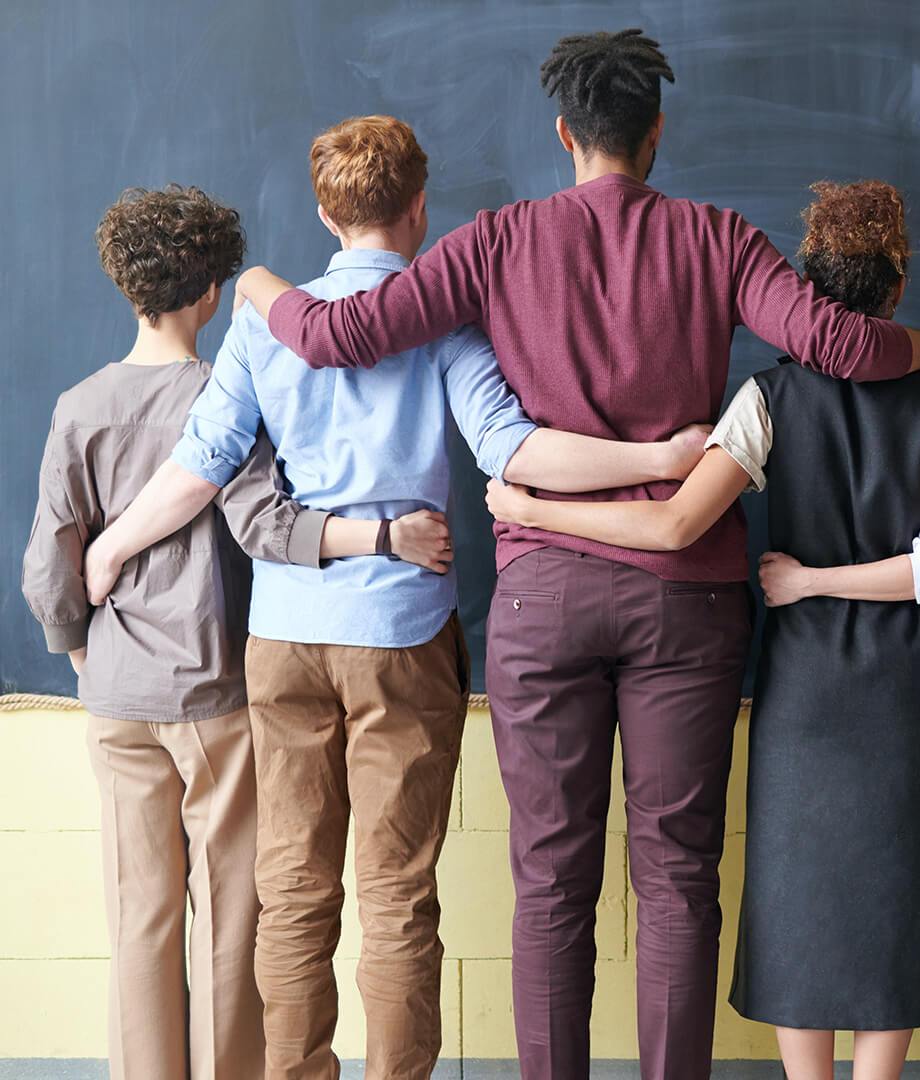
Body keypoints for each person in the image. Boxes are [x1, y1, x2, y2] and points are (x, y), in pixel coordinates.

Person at [231, 31, 920, 1080]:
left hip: (544, 598)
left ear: (566, 136)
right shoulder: (717, 239)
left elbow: (344, 336)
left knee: (550, 883)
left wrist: (261, 285)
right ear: (655, 134)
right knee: (677, 878)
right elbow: (840, 346)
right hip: (688, 604)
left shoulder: (497, 241)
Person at [81, 117, 706, 1080]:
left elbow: (199, 467)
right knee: (399, 893)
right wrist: (660, 460)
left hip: (283, 635)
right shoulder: (446, 322)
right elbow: (511, 448)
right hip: (401, 634)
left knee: (291, 892)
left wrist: (111, 547)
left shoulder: (260, 325)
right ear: (419, 209)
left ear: (327, 214)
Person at [486, 180, 920, 1080]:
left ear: (803, 286)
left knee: (795, 899)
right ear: (898, 287)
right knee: (896, 903)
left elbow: (676, 525)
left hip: (802, 688)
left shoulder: (765, 399)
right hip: (904, 688)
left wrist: (535, 509)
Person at [20, 184, 441, 1080]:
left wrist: (86, 651)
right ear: (213, 290)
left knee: (139, 916)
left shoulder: (78, 405)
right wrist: (376, 538)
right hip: (213, 695)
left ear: (124, 284)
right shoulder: (225, 390)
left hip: (116, 697)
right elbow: (264, 525)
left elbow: (51, 562)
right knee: (232, 913)